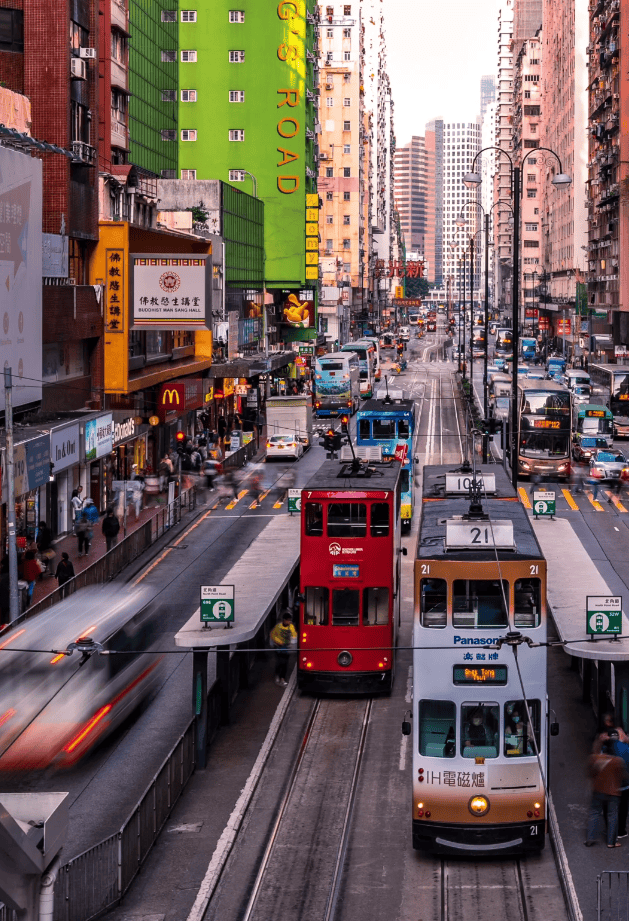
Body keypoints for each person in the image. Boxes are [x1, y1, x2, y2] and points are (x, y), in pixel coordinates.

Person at [586, 734, 629, 847]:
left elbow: (590, 772)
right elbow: (624, 777)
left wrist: (598, 741)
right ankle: (611, 842)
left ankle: (590, 839)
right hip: (613, 793)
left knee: (594, 813)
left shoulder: (596, 758)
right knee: (612, 816)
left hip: (598, 790)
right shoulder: (618, 761)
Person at [270, 611, 297, 687]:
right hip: (278, 647)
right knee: (279, 662)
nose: (289, 622)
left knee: (285, 663)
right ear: (284, 620)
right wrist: (278, 642)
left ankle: (282, 678)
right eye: (288, 620)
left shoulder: (291, 627)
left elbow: (294, 635)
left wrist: (292, 642)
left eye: (290, 620)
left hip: (286, 648)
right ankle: (277, 675)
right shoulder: (278, 627)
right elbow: (273, 635)